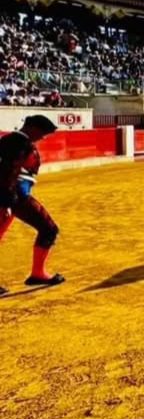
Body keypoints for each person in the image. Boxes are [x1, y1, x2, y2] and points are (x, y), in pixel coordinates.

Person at [0, 115, 64, 293]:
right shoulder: (21, 144)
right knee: (49, 229)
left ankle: (38, 273)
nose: (43, 137)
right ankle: (38, 273)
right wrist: (7, 202)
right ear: (32, 128)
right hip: (15, 195)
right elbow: (9, 172)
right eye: (42, 132)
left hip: (10, 194)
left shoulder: (10, 140)